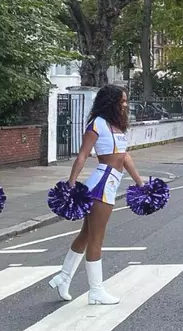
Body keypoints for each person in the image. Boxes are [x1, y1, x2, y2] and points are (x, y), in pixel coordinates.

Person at [47, 85, 145, 305]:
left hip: (110, 184)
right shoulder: (97, 125)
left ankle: (63, 278)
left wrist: (140, 183)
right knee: (96, 238)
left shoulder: (117, 126)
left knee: (86, 235)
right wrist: (71, 184)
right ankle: (96, 290)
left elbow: (124, 157)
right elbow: (82, 156)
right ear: (111, 102)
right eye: (123, 101)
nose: (126, 105)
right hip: (101, 185)